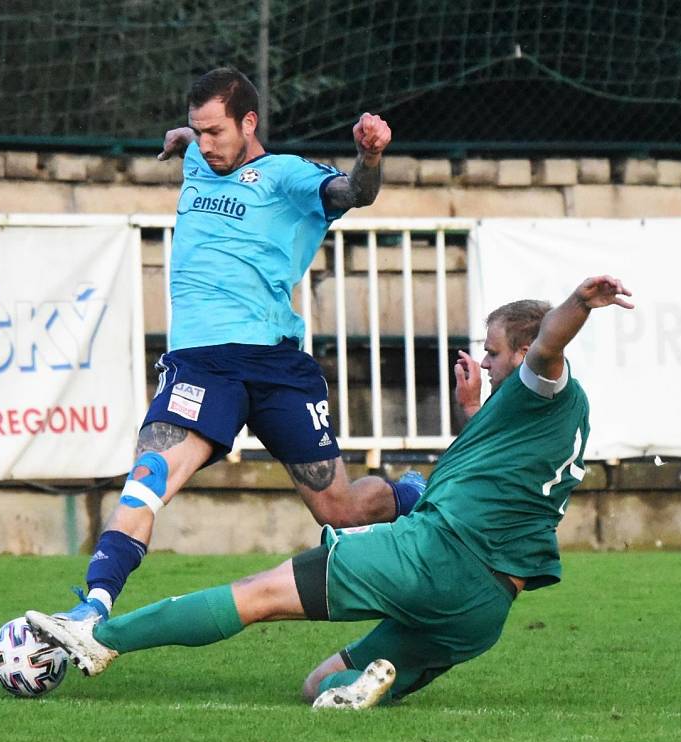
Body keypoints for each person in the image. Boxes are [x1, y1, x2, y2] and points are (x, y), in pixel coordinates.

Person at [27, 275, 634, 709]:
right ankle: (366, 686)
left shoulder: (543, 382)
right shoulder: (550, 421)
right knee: (318, 685)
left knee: (258, 594)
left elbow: (552, 342)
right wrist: (472, 408)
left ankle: (98, 638)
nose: (485, 359)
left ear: (525, 355)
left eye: (494, 352)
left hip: (432, 557)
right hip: (484, 608)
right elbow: (497, 465)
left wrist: (580, 302)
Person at [52, 67, 426, 626]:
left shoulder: (288, 177)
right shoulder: (200, 155)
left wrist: (369, 158)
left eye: (215, 133)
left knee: (340, 511)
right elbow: (192, 138)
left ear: (249, 123)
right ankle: (92, 607)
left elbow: (355, 193)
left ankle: (409, 496)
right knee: (149, 476)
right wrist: (184, 138)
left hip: (276, 363)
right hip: (201, 364)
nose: (205, 145)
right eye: (198, 133)